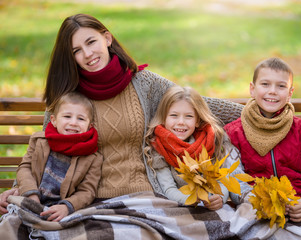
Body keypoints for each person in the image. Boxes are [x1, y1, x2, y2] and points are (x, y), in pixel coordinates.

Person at [0, 13, 243, 214]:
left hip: (148, 195)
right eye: (76, 50)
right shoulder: (68, 98)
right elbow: (44, 148)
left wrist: (261, 111)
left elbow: (200, 105)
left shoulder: (144, 83)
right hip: (86, 199)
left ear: (107, 38)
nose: (87, 54)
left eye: (91, 42)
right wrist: (18, 188)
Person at [224, 57, 301, 222]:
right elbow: (234, 179)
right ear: (252, 89)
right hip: (254, 212)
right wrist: (257, 202)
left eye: (281, 86)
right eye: (265, 84)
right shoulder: (233, 134)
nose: (272, 91)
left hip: (297, 210)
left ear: (290, 93)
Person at [144, 86, 241, 210]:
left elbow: (221, 180)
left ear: (197, 120)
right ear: (164, 118)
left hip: (209, 206)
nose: (181, 122)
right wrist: (193, 199)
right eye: (174, 115)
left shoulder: (210, 142)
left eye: (188, 116)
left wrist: (220, 196)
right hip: (181, 206)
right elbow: (168, 189)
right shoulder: (158, 148)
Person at [16, 91, 103, 222]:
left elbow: (87, 191)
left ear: (89, 126)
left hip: (61, 211)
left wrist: (67, 207)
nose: (73, 123)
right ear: (54, 120)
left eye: (81, 119)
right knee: (10, 225)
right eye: (67, 116)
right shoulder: (39, 141)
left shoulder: (92, 157)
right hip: (31, 199)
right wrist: (30, 193)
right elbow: (25, 168)